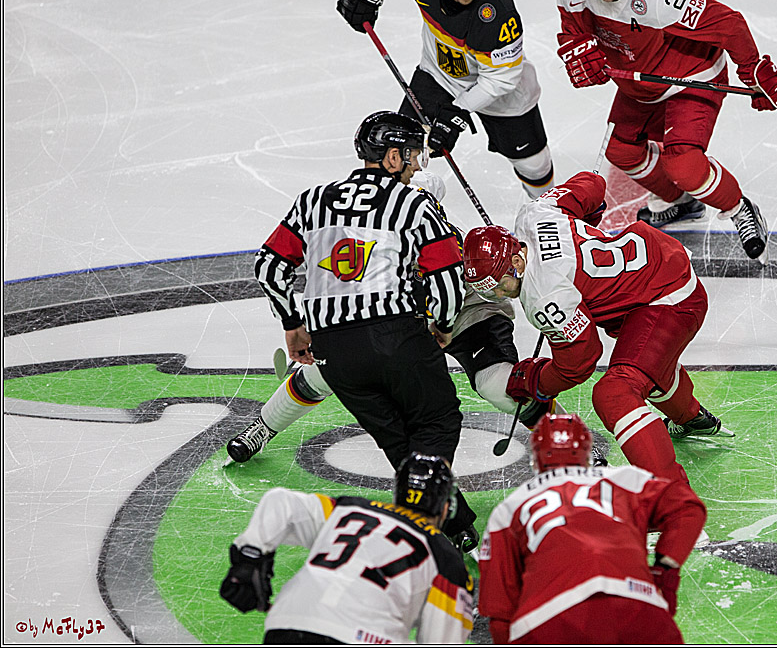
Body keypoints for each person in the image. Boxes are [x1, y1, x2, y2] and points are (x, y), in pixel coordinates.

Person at [238, 109, 478, 549]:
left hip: (335, 351)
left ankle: (455, 519)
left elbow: (268, 266)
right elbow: (445, 280)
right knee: (437, 417)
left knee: (395, 436)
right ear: (390, 158)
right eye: (411, 156)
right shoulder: (416, 204)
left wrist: (293, 325)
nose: (415, 166)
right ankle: (429, 518)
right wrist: (442, 325)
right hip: (397, 336)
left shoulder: (312, 200)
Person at [462, 170, 733, 488]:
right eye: (486, 290)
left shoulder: (544, 295)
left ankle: (671, 503)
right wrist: (588, 212)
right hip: (656, 266)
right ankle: (690, 418)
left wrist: (534, 380)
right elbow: (592, 182)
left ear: (517, 263)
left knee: (614, 393)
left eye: (498, 285)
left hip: (668, 297)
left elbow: (580, 362)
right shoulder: (534, 214)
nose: (497, 295)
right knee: (646, 362)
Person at [556, 0, 777, 261]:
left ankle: (740, 209)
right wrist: (577, 51)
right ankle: (683, 203)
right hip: (640, 83)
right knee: (620, 150)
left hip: (692, 75)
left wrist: (754, 71)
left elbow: (729, 24)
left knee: (684, 165)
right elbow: (573, 36)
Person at [477, 413, 707, 643]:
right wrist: (665, 572)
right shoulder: (625, 479)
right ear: (587, 451)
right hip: (635, 603)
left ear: (535, 458)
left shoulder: (509, 509)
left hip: (547, 617)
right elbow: (688, 509)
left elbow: (499, 612)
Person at [338, 0, 555, 198]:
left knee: (534, 165)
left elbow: (501, 79)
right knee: (401, 149)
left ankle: (546, 212)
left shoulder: (499, 12)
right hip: (438, 76)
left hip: (501, 97)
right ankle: (395, 212)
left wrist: (458, 112)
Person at [219, 453, 475, 644]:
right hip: (365, 637)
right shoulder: (448, 561)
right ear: (445, 507)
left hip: (287, 622)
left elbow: (280, 502)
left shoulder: (348, 509)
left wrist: (249, 558)